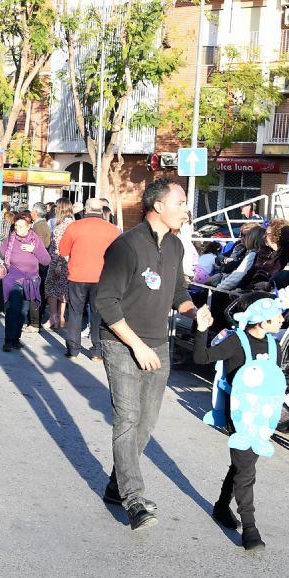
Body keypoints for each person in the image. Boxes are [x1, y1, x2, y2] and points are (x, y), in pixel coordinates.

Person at [94, 179, 198, 531]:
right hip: (123, 342)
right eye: (181, 202)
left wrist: (193, 311)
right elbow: (105, 301)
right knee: (127, 418)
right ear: (158, 206)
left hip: (158, 345)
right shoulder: (126, 246)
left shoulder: (176, 246)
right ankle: (134, 498)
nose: (186, 209)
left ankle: (116, 484)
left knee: (146, 423)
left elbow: (178, 291)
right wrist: (135, 345)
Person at [193, 293, 286, 551]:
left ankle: (222, 507)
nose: (282, 319)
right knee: (246, 471)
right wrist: (201, 330)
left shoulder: (273, 345)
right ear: (261, 321)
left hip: (262, 416)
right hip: (240, 416)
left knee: (241, 465)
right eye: (277, 315)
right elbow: (202, 358)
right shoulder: (236, 341)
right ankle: (251, 529)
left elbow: (273, 380)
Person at [58, 197, 119, 360]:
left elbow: (63, 250)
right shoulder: (113, 229)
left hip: (77, 276)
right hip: (102, 277)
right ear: (102, 210)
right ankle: (97, 351)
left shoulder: (74, 227)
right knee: (98, 314)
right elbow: (119, 255)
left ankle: (73, 349)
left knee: (75, 312)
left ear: (86, 209)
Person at [0, 211, 51, 351]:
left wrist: (34, 250)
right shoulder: (11, 239)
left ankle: (16, 338)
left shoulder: (35, 240)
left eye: (21, 226)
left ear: (29, 226)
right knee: (13, 309)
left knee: (23, 311)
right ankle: (8, 340)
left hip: (30, 281)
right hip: (13, 279)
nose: (17, 229)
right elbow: (2, 253)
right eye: (16, 226)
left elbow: (46, 260)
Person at [44, 200, 76, 331]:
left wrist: (58, 263)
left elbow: (59, 246)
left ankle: (53, 317)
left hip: (59, 260)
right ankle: (61, 318)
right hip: (68, 261)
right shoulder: (72, 223)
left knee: (51, 288)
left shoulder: (63, 225)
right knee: (63, 290)